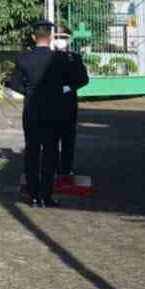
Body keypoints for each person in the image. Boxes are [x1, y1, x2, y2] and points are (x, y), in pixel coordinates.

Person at [7, 20, 84, 208]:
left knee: (32, 152)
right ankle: (46, 195)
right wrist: (61, 90)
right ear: (50, 37)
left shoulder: (24, 57)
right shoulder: (61, 58)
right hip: (54, 110)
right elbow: (78, 80)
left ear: (34, 37)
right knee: (51, 153)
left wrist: (31, 92)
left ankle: (33, 195)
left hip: (32, 110)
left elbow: (14, 83)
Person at [53, 31, 89, 180]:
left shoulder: (75, 57)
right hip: (51, 103)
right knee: (51, 139)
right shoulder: (47, 56)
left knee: (68, 139)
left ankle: (66, 169)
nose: (60, 40)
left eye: (63, 37)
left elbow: (84, 79)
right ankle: (53, 167)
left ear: (68, 39)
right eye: (57, 37)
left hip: (68, 103)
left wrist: (69, 87)